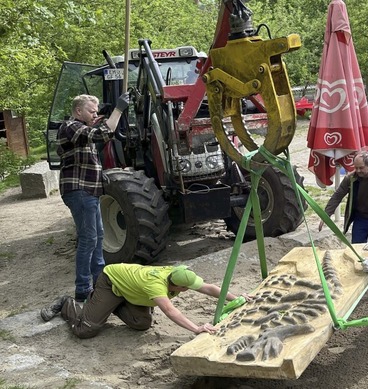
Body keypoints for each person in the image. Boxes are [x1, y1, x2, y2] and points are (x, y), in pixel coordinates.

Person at [40, 263, 248, 339]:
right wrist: (196, 328)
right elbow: (170, 310)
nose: (188, 290)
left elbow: (209, 287)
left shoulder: (179, 273)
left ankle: (111, 306)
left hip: (130, 290)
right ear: (175, 285)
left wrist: (238, 298)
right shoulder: (156, 286)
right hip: (111, 281)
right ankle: (67, 304)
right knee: (86, 330)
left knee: (142, 324)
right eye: (183, 289)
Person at [57, 93, 130, 301]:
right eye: (91, 110)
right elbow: (103, 134)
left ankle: (99, 281)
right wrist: (118, 109)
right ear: (78, 111)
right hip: (79, 191)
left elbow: (96, 133)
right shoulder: (70, 126)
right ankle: (82, 289)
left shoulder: (81, 130)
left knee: (97, 236)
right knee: (88, 239)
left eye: (96, 111)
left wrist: (99, 119)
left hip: (89, 190)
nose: (95, 114)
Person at [319, 151, 368, 286]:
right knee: (357, 247)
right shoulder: (351, 178)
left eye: (361, 168)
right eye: (355, 167)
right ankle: (359, 276)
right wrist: (325, 215)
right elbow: (337, 196)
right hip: (360, 218)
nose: (358, 171)